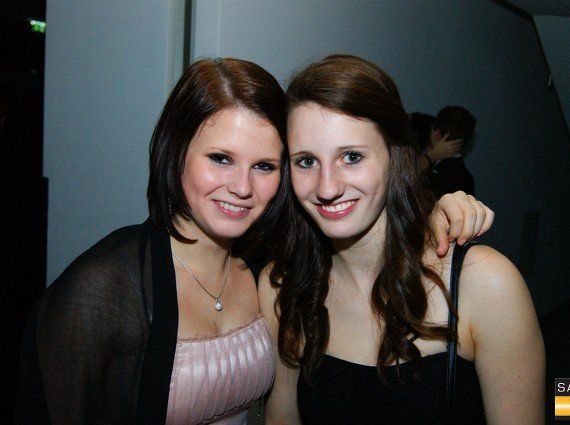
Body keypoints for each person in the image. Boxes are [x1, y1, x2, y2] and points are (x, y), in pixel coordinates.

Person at [16, 58, 494, 424]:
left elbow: (371, 226)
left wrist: (430, 213)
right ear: (174, 151)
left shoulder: (274, 269)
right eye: (220, 158)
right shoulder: (103, 288)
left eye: (265, 166)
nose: (242, 188)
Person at [261, 55, 544, 424]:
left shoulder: (484, 283)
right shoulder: (283, 287)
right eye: (306, 161)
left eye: (351, 156)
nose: (327, 187)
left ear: (394, 156)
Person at [411, 107, 476, 198]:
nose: (434, 133)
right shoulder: (420, 126)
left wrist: (433, 155)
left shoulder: (460, 180)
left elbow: (402, 177)